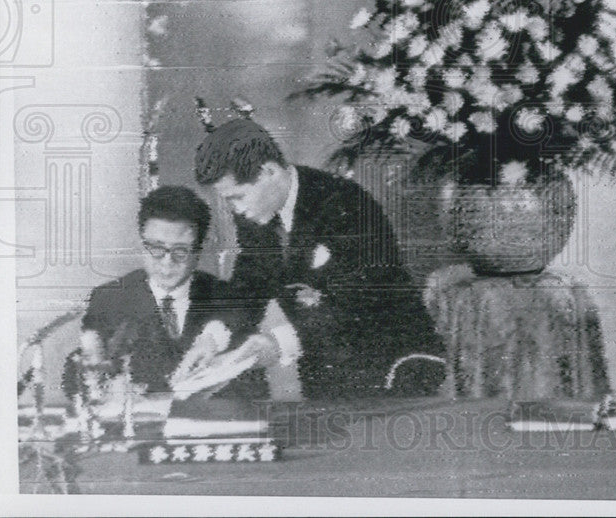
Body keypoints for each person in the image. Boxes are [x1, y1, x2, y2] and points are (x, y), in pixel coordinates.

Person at [190, 118, 444, 398]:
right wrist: (211, 337)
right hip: (327, 371)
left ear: (268, 171)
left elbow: (357, 299)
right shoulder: (256, 214)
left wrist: (277, 343)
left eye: (237, 197)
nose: (236, 210)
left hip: (395, 366)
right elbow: (249, 281)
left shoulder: (345, 202)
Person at [63, 186, 266, 400]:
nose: (167, 262)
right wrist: (94, 372)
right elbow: (74, 382)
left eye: (181, 251)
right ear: (141, 242)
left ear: (199, 249)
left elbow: (253, 379)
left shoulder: (226, 296)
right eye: (156, 249)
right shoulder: (109, 298)